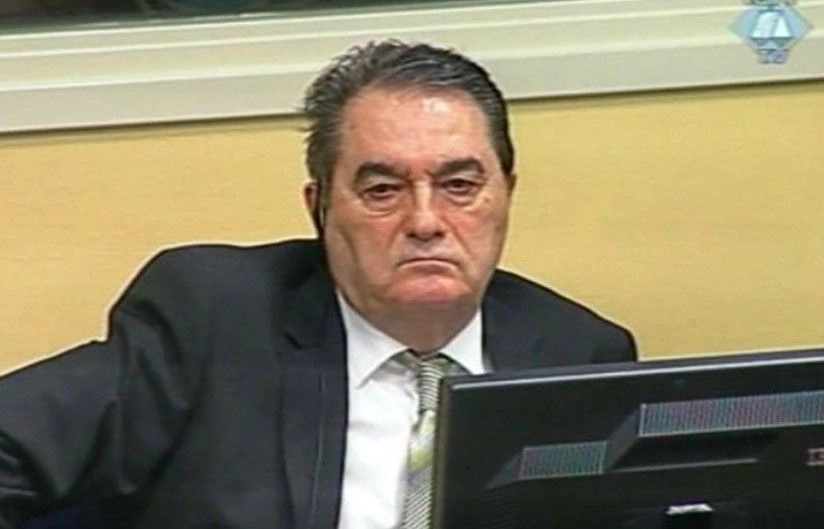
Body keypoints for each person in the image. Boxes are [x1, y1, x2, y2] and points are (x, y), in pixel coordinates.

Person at [0, 40, 636, 529]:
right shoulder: (214, 321)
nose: (425, 221)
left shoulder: (577, 356)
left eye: (459, 186)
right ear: (321, 208)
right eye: (382, 190)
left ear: (506, 195)